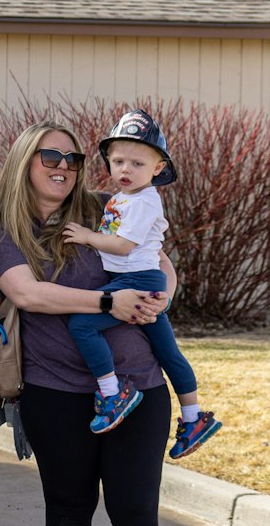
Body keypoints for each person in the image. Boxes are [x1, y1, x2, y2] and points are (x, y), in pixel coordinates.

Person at [0, 121, 179, 526]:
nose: (63, 166)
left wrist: (163, 297)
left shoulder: (106, 208)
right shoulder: (7, 234)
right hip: (56, 393)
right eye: (50, 156)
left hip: (137, 389)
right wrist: (107, 304)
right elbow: (28, 293)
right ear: (25, 161)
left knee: (135, 508)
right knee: (69, 509)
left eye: (71, 157)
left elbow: (159, 260)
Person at [62, 109, 221, 455]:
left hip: (136, 279)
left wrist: (87, 237)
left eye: (137, 163)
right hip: (139, 277)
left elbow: (122, 245)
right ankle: (193, 418)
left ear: (158, 169)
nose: (125, 170)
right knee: (166, 351)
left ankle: (112, 392)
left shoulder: (146, 201)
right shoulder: (123, 200)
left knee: (83, 326)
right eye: (118, 161)